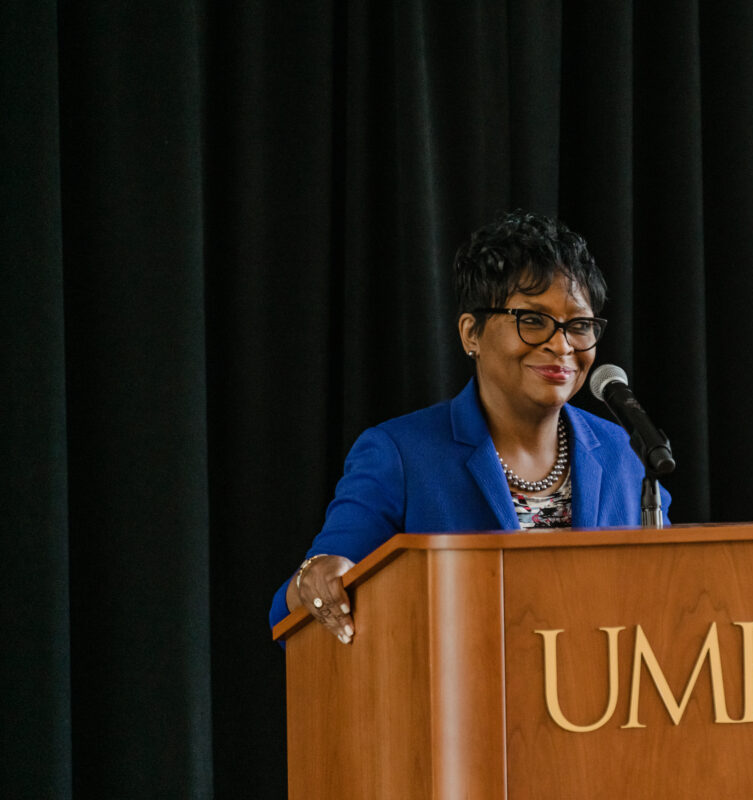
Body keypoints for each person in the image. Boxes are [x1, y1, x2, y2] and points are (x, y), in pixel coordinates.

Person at [269, 211, 670, 641]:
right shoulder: (400, 454)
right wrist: (315, 577)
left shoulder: (624, 453)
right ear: (470, 334)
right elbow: (298, 602)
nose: (561, 344)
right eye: (532, 320)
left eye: (579, 325)